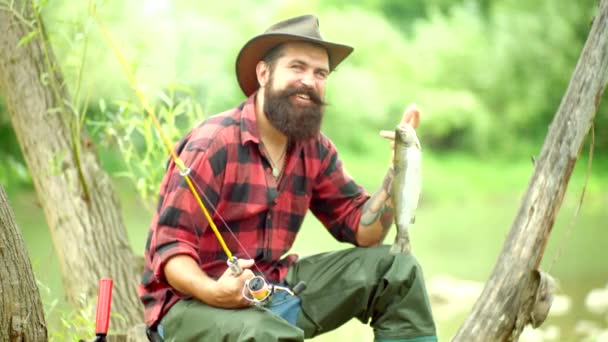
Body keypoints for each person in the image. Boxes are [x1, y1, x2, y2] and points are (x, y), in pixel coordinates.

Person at [139, 14, 437, 342]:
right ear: (264, 73)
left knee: (397, 270)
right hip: (191, 308)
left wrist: (399, 169)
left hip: (272, 292)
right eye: (297, 67)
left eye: (320, 73)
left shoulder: (315, 149)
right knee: (264, 333)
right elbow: (170, 249)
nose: (309, 80)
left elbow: (363, 232)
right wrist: (215, 293)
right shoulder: (213, 143)